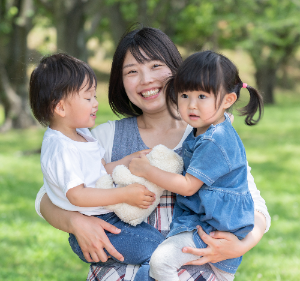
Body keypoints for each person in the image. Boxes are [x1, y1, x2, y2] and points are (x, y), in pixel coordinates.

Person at [35, 26, 271, 281]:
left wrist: (242, 245)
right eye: (132, 71)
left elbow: (255, 205)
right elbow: (47, 196)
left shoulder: (211, 136)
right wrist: (75, 223)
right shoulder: (102, 137)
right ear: (120, 81)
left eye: (156, 66)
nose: (146, 79)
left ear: (176, 70)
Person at [129, 50, 263, 281]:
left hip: (213, 227)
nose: (191, 105)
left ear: (227, 101)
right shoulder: (207, 131)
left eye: (202, 97)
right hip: (210, 223)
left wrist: (147, 170)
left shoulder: (215, 139)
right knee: (146, 273)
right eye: (184, 96)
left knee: (161, 262)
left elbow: (189, 186)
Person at [29, 53, 165, 281]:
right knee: (160, 251)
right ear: (60, 107)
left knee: (159, 245)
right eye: (88, 98)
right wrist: (123, 194)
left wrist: (128, 161)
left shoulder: (80, 133)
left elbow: (100, 171)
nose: (96, 103)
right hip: (96, 227)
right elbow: (77, 195)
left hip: (107, 220)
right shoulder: (61, 148)